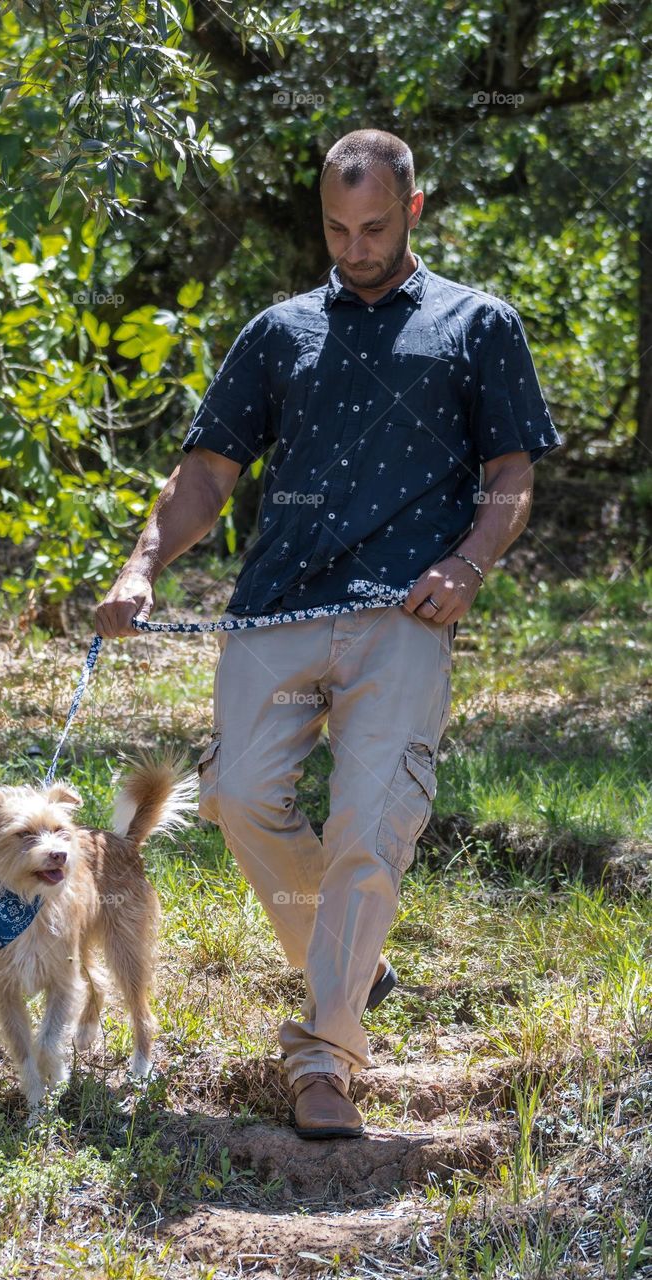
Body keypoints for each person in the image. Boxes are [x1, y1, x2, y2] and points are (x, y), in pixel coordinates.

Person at [94, 128, 563, 1139]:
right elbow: (207, 477)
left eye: (376, 228)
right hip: (276, 609)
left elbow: (511, 478)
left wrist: (468, 562)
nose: (355, 248)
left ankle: (324, 1058)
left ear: (415, 210)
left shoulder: (477, 324)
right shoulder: (277, 332)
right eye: (337, 229)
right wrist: (142, 564)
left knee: (369, 823)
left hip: (403, 616)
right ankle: (350, 955)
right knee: (238, 795)